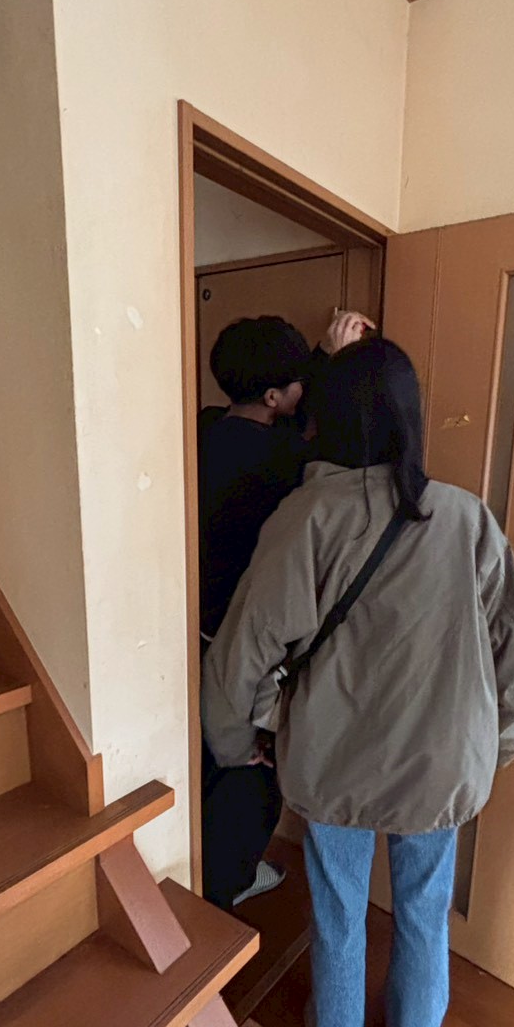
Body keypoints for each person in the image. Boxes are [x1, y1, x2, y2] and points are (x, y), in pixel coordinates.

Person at [202, 338, 514, 1027]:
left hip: (335, 763)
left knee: (339, 911)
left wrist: (233, 741)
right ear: (411, 418)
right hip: (440, 764)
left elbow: (243, 651)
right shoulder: (467, 519)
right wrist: (496, 747)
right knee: (424, 912)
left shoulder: (306, 518)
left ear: (325, 417)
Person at [199, 310, 371, 911]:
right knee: (254, 769)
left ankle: (199, 870)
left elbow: (286, 416)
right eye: (296, 382)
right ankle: (229, 883)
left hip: (195, 626)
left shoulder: (203, 430)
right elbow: (317, 438)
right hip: (255, 637)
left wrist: (319, 356)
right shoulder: (289, 462)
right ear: (275, 397)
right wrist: (333, 364)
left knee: (209, 760)